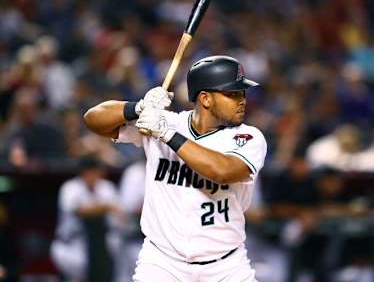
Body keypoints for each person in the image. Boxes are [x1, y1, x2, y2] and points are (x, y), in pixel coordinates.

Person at [84, 55, 267, 282]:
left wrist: (167, 134)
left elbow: (223, 170)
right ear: (205, 99)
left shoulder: (248, 137)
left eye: (242, 93)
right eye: (232, 94)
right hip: (163, 262)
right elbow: (93, 119)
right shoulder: (165, 122)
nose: (242, 100)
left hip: (225, 266)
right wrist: (138, 107)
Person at [50, 156, 121, 282]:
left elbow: (119, 212)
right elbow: (80, 211)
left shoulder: (106, 187)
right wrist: (105, 207)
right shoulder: (70, 187)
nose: (94, 175)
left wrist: (107, 208)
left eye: (96, 171)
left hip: (100, 245)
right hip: (70, 245)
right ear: (83, 172)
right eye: (90, 171)